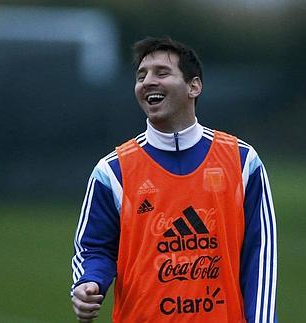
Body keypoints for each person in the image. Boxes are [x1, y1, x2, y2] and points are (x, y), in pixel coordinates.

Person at [71, 37, 277, 322]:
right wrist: (88, 281)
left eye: (162, 73)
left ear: (194, 86)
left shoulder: (242, 161)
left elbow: (261, 253)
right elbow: (93, 246)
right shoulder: (113, 171)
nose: (148, 82)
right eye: (141, 76)